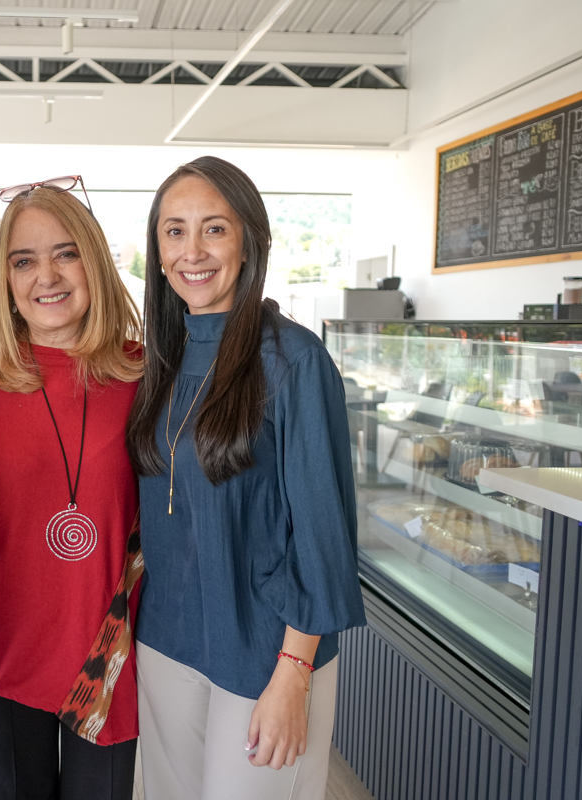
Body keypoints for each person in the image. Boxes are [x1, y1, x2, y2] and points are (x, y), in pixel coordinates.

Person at [126, 156, 366, 800]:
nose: (193, 251)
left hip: (265, 650)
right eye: (174, 231)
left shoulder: (293, 360)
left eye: (215, 228)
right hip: (167, 641)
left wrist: (294, 672)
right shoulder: (160, 360)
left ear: (250, 240)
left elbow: (322, 534)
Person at [0, 178, 143, 800]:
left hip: (108, 646)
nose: (47, 276)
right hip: (5, 638)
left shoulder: (143, 372)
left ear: (95, 261)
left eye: (66, 253)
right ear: (5, 279)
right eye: (24, 261)